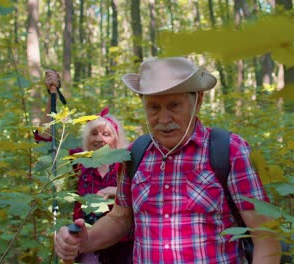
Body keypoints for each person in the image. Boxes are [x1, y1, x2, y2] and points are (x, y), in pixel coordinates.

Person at [54, 57, 281, 263]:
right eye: (153, 107)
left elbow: (265, 235)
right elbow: (120, 219)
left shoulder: (228, 151)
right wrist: (86, 239)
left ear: (198, 100)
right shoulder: (135, 154)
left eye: (174, 105)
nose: (163, 118)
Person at [38, 70, 133, 264]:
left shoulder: (128, 160)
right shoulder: (79, 161)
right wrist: (52, 95)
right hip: (87, 237)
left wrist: (116, 191)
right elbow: (45, 137)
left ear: (116, 139)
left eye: (106, 134)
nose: (99, 138)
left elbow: (142, 190)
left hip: (124, 242)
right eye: (94, 133)